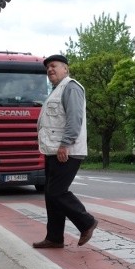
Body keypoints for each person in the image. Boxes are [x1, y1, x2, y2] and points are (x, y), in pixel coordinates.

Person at [33, 54, 98, 249]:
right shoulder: (56, 91)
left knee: (57, 192)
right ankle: (54, 237)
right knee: (50, 195)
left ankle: (86, 222)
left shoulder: (71, 87)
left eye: (54, 66)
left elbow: (74, 118)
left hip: (67, 150)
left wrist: (65, 144)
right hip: (54, 150)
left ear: (66, 69)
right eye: (47, 68)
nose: (50, 70)